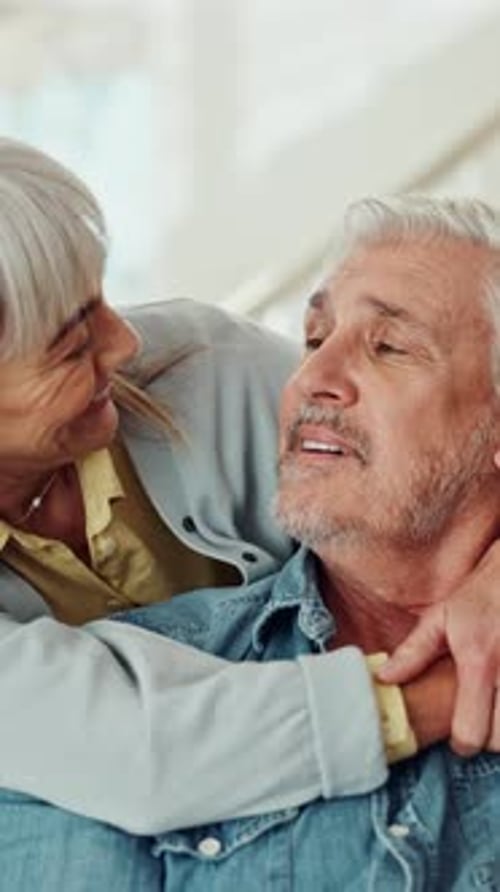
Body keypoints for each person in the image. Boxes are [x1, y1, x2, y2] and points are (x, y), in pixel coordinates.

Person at [0, 140, 499, 884]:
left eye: (388, 343)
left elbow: (411, 456)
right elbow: (138, 753)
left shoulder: (208, 370)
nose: (312, 376)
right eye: (72, 345)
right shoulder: (91, 752)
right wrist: (449, 694)